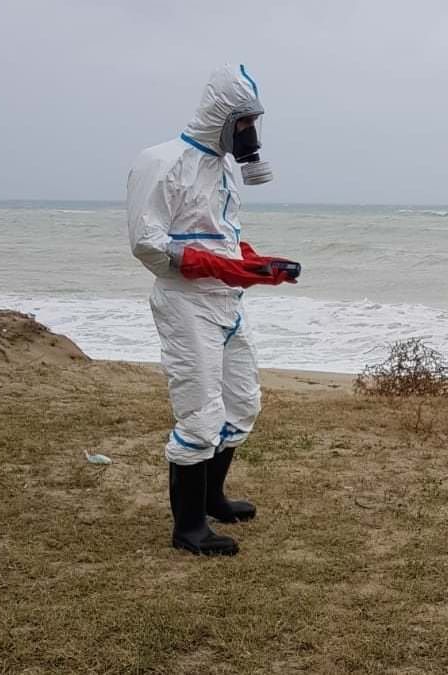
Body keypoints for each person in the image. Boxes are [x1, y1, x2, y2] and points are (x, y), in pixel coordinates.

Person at [126, 63, 299, 556]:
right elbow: (149, 245)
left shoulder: (223, 167)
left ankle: (213, 496)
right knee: (200, 415)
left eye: (253, 123)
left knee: (243, 405)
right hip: (186, 306)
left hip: (227, 303)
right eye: (244, 122)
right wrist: (230, 270)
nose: (250, 134)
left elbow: (222, 242)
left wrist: (261, 265)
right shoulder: (161, 161)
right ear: (222, 116)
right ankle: (188, 529)